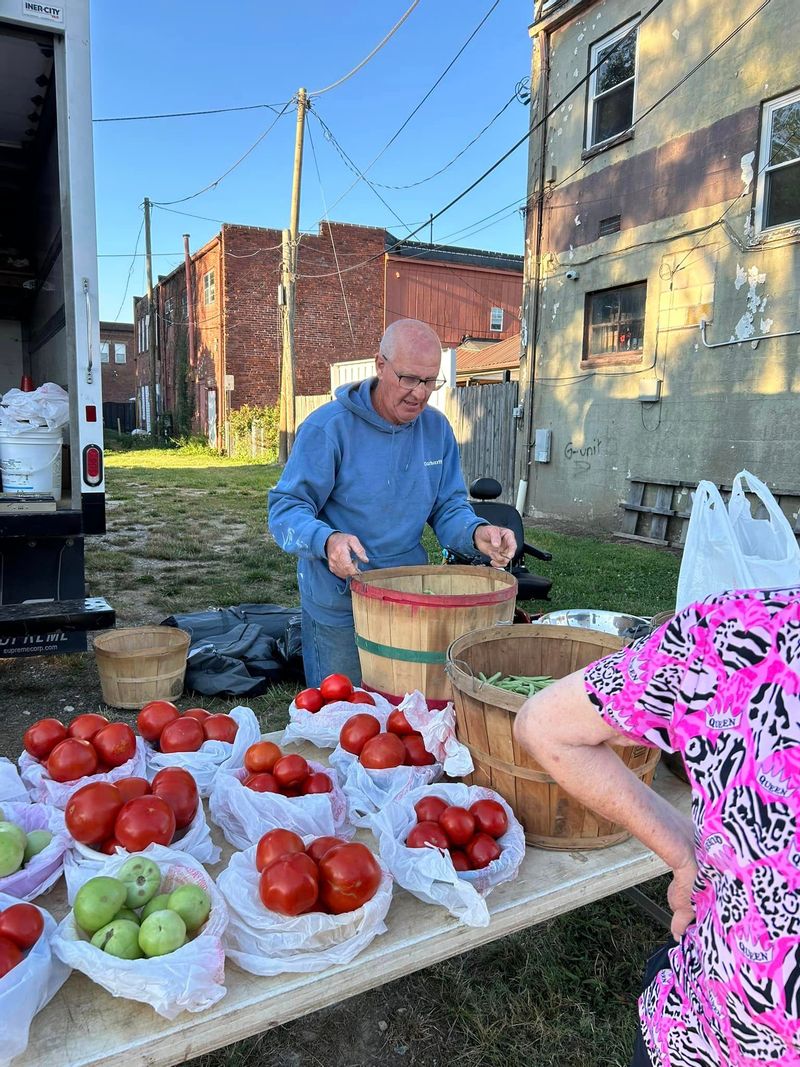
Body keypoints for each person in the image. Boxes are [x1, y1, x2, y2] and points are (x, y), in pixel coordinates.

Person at [513, 586, 800, 1066]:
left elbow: (542, 724)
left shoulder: (746, 627)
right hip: (701, 1034)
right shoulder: (747, 631)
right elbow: (543, 725)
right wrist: (690, 857)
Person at [268, 318, 517, 688]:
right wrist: (328, 541)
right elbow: (286, 509)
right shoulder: (328, 429)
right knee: (344, 717)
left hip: (408, 600)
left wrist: (476, 532)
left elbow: (447, 507)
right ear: (380, 366)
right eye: (409, 379)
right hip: (341, 602)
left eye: (430, 381)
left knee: (404, 718)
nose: (420, 393)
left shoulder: (437, 430)